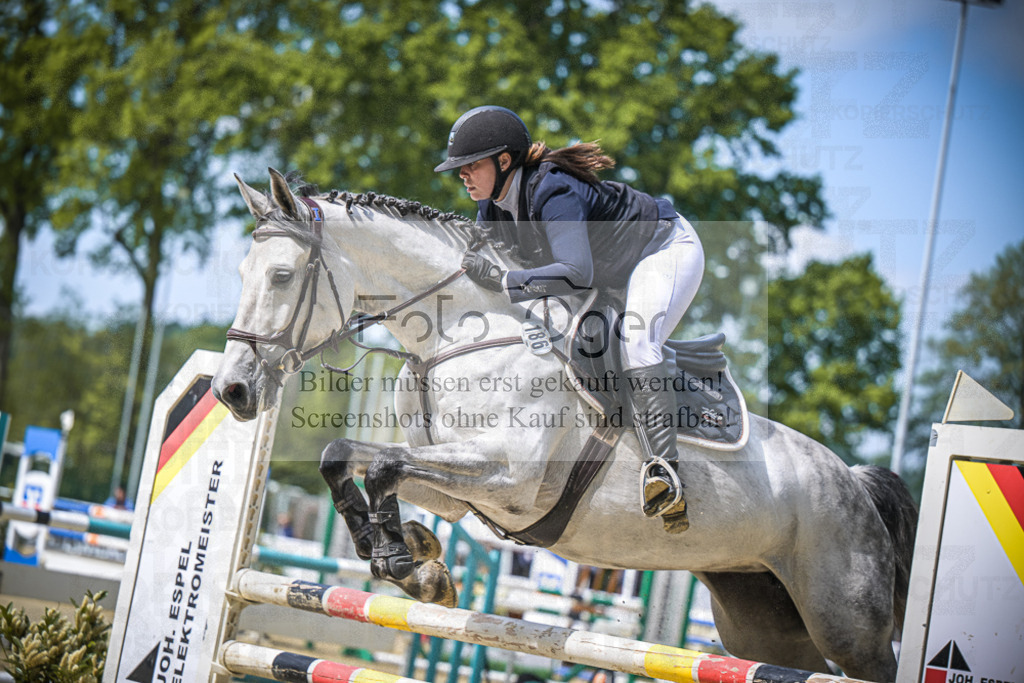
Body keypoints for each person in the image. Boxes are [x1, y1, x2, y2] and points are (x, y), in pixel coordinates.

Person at [434, 105, 704, 530]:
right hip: (608, 272)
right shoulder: (493, 209)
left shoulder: (551, 189)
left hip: (661, 250)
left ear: (505, 162)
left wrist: (504, 281)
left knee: (637, 341)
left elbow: (576, 273)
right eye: (460, 168)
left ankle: (664, 472)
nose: (462, 175)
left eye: (471, 165)